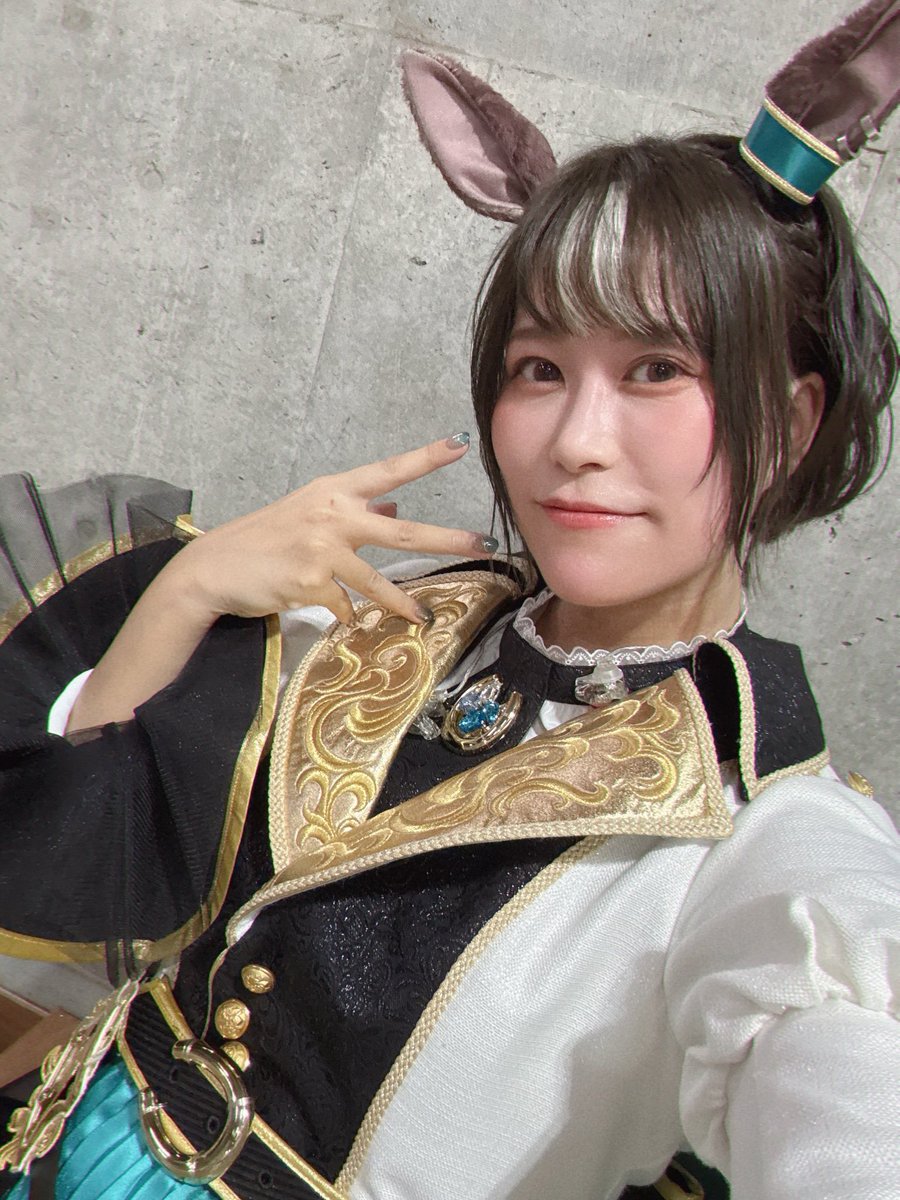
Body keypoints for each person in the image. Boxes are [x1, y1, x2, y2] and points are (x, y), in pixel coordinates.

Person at [1, 8, 899, 1199]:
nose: (576, 441)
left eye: (656, 370)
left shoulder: (771, 836)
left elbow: (843, 1096)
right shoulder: (396, 623)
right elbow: (66, 879)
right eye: (541, 369)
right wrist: (192, 587)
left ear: (787, 424)